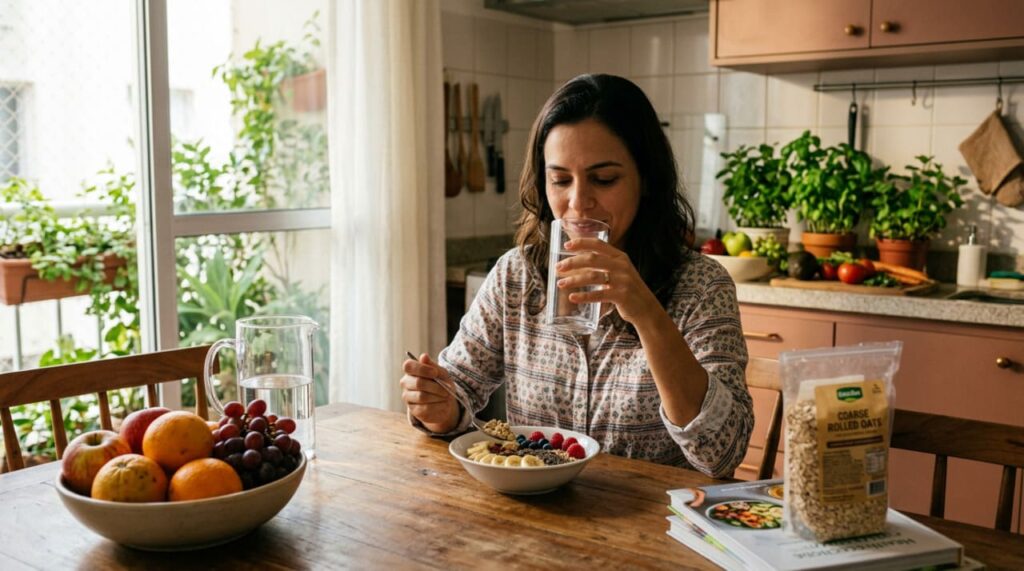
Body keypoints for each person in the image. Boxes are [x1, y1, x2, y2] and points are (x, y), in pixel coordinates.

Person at [401, 74, 752, 477]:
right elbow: (458, 385)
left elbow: (722, 454)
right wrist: (440, 406)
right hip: (533, 517)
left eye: (604, 179)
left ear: (647, 180)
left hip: (650, 526)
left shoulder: (703, 287)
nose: (578, 203)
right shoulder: (518, 276)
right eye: (560, 180)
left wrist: (647, 313)